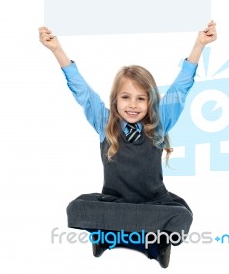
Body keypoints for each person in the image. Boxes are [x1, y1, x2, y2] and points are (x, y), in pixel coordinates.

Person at [39, 21, 217, 268]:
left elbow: (181, 87)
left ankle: (124, 234)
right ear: (115, 100)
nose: (133, 105)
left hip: (152, 203)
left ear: (150, 101)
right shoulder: (105, 124)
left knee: (182, 216)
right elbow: (83, 93)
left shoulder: (159, 124)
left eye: (140, 99)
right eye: (126, 97)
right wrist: (57, 50)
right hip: (115, 202)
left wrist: (200, 45)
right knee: (75, 208)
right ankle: (126, 234)